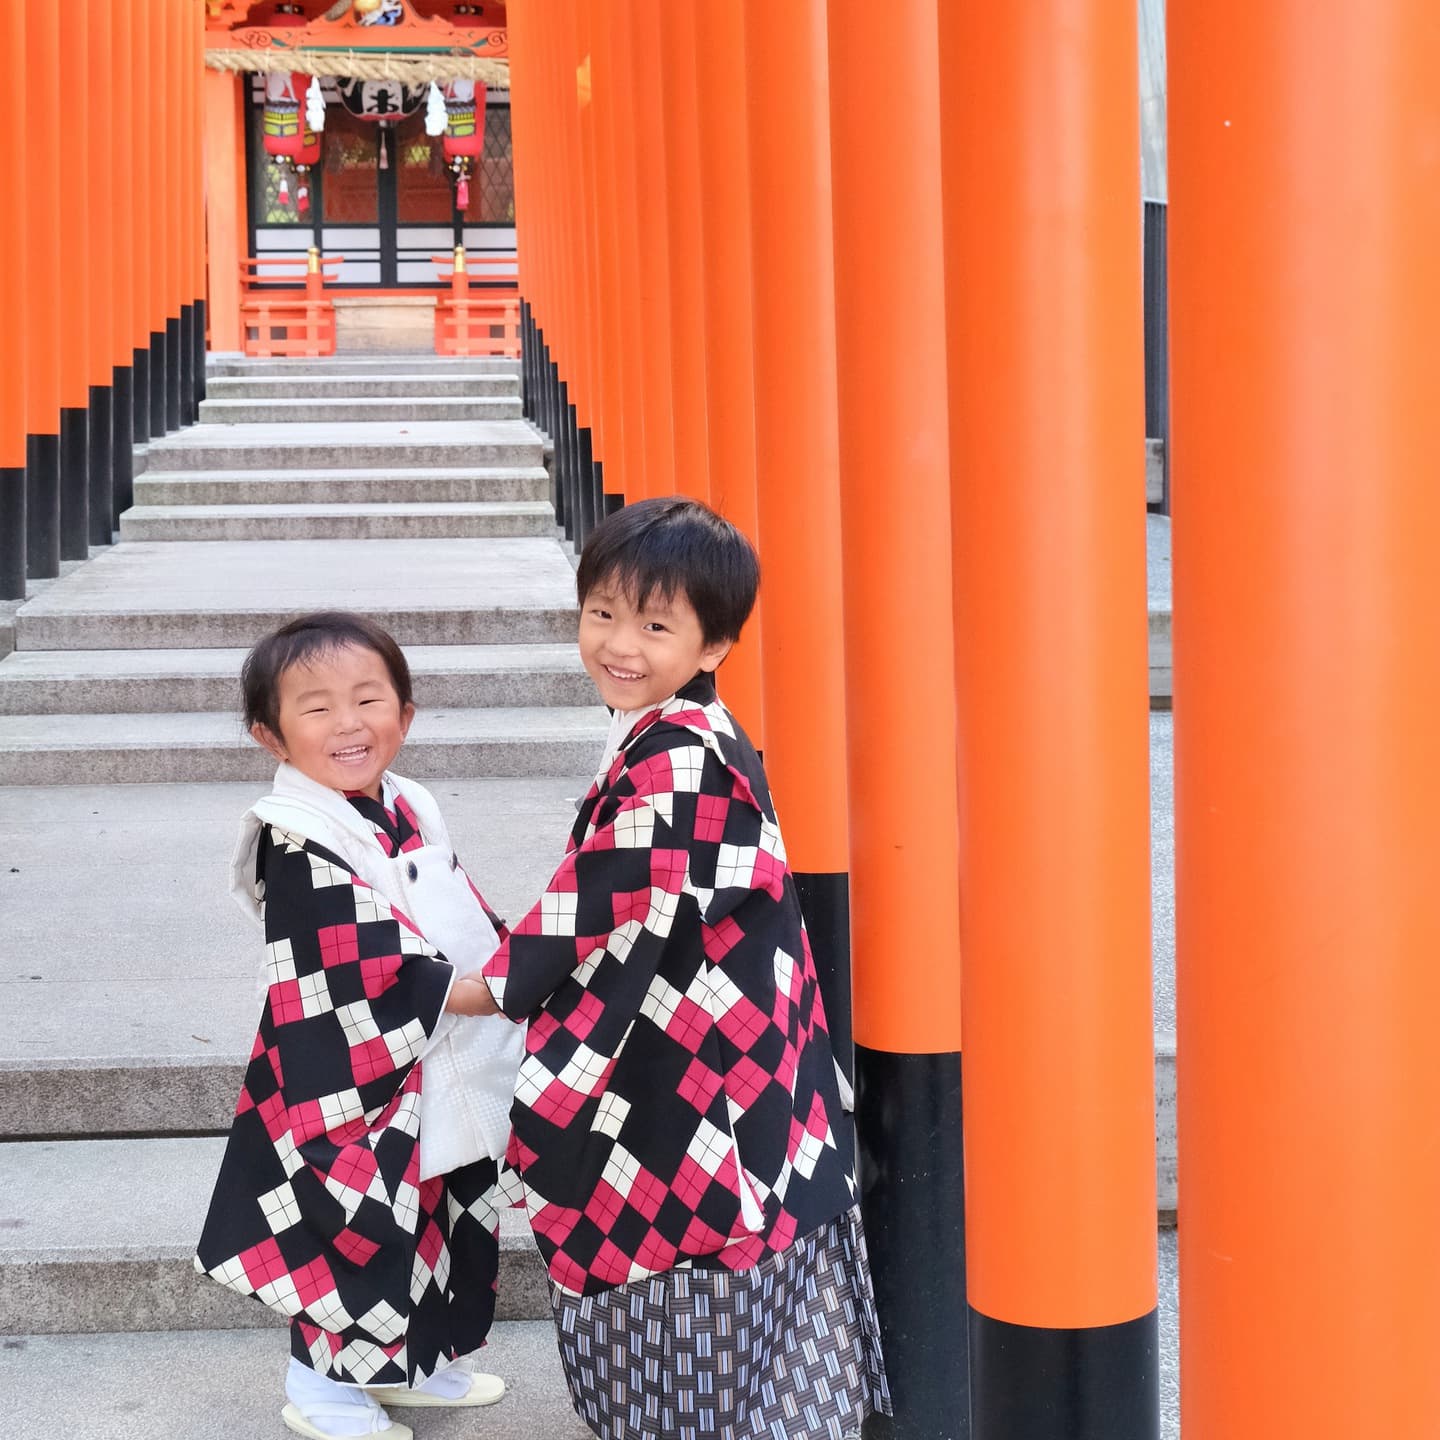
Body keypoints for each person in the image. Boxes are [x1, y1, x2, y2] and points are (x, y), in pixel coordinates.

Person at [473, 497, 891, 1440]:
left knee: (689, 1242)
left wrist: (461, 989)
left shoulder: (677, 762)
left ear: (715, 644)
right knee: (746, 1257)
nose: (619, 644)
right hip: (735, 1041)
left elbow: (589, 907)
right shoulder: (679, 726)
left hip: (708, 1067)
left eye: (655, 626)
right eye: (602, 613)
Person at [194, 612, 524, 1440]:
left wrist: (509, 955)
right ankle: (320, 1388)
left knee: (438, 1207)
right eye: (317, 708)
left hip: (424, 1055)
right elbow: (360, 962)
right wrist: (491, 991)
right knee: (347, 1224)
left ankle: (414, 1363)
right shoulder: (297, 837)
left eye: (369, 700)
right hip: (339, 1067)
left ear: (405, 714)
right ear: (271, 735)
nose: (349, 723)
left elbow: (459, 906)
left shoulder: (408, 802)